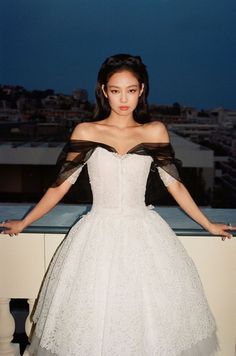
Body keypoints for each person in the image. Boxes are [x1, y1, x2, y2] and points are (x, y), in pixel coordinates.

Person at [0, 54, 235, 356]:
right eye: (115, 90)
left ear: (142, 90)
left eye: (131, 90)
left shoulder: (155, 131)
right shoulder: (86, 131)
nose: (123, 99)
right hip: (97, 237)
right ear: (103, 90)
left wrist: (209, 225)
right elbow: (60, 185)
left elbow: (174, 184)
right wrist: (24, 222)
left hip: (146, 237)